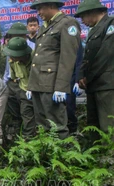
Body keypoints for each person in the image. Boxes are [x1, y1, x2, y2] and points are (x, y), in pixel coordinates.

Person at [27, 0, 81, 139]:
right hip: (38, 83)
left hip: (52, 84)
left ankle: (61, 155)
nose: (38, 12)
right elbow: (38, 57)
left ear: (51, 6)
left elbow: (67, 58)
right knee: (42, 124)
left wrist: (61, 87)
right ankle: (46, 155)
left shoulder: (67, 23)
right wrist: (31, 85)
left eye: (40, 8)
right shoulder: (46, 27)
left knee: (57, 125)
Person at [74, 0, 114, 135]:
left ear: (91, 12)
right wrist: (81, 76)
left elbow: (105, 55)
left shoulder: (110, 24)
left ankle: (109, 155)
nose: (82, 21)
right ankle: (98, 153)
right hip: (93, 84)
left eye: (83, 17)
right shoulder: (92, 31)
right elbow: (86, 57)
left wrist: (88, 77)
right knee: (93, 125)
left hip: (107, 84)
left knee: (108, 125)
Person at [2, 22, 35, 141]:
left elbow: (36, 74)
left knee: (28, 113)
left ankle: (29, 141)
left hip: (32, 88)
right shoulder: (11, 53)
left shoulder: (34, 53)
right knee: (18, 110)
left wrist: (32, 88)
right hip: (20, 86)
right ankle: (19, 134)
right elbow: (10, 73)